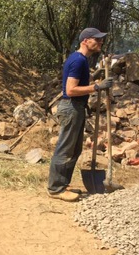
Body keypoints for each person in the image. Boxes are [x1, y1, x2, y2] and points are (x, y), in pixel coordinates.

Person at [47, 27, 114, 202]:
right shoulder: (78, 60)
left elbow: (81, 81)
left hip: (76, 107)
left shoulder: (81, 60)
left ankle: (62, 184)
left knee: (74, 149)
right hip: (71, 106)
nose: (100, 42)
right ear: (85, 41)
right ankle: (55, 188)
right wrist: (96, 87)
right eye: (96, 39)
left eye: (101, 39)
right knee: (65, 149)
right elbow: (71, 89)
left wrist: (97, 77)